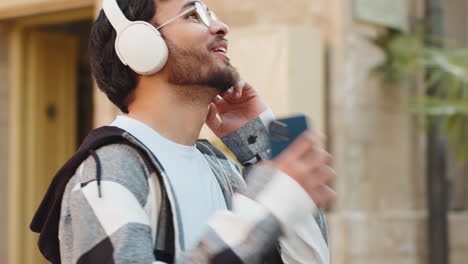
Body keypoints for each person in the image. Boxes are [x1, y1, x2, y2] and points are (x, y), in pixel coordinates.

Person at [30, 0, 336, 263]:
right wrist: (264, 210)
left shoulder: (221, 168)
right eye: (193, 15)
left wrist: (263, 137)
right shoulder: (107, 172)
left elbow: (308, 257)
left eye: (210, 12)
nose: (220, 26)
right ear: (140, 46)